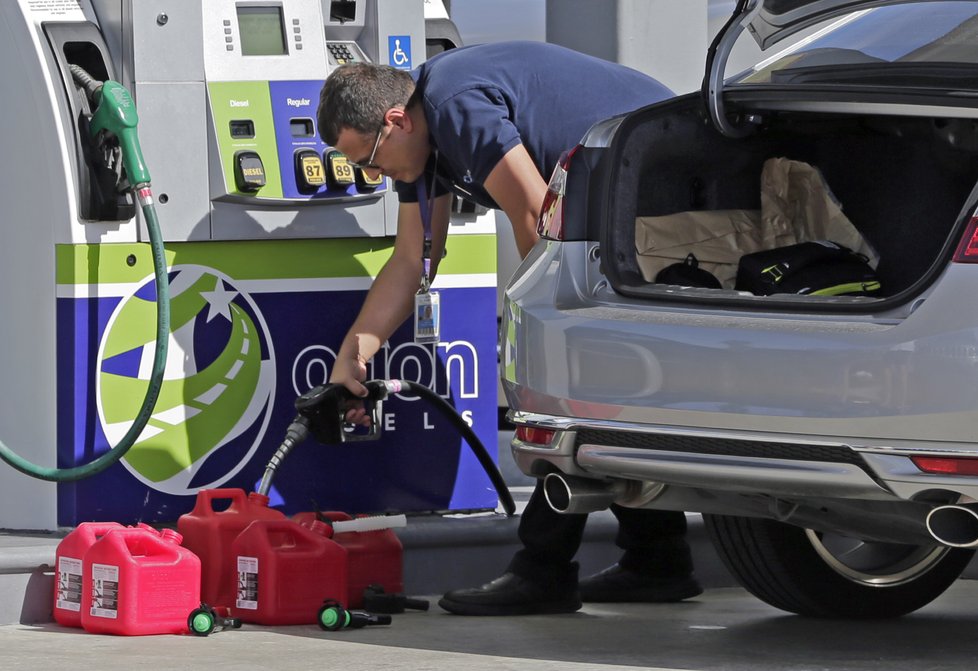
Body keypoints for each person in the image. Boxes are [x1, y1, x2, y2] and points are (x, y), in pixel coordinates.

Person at [317, 41, 702, 616]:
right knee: (606, 385)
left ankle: (545, 571)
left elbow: (534, 213)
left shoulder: (451, 102)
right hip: (630, 193)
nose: (371, 174)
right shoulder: (420, 140)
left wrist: (541, 334)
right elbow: (413, 257)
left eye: (369, 158)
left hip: (676, 180)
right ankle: (658, 557)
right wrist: (355, 352)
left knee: (564, 385)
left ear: (395, 121)